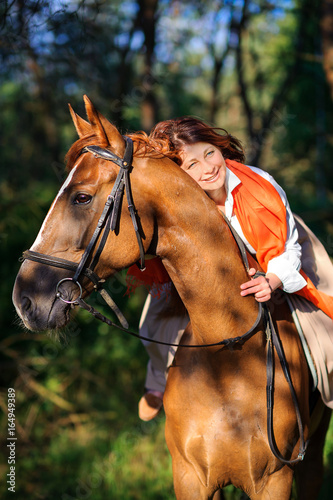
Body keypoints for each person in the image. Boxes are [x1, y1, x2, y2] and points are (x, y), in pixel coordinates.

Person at [127, 117, 333, 421]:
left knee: (323, 331)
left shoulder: (260, 186)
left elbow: (288, 249)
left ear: (220, 148)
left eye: (209, 153)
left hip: (277, 254)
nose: (208, 168)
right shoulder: (180, 203)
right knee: (154, 319)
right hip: (212, 268)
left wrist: (273, 280)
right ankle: (157, 383)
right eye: (192, 165)